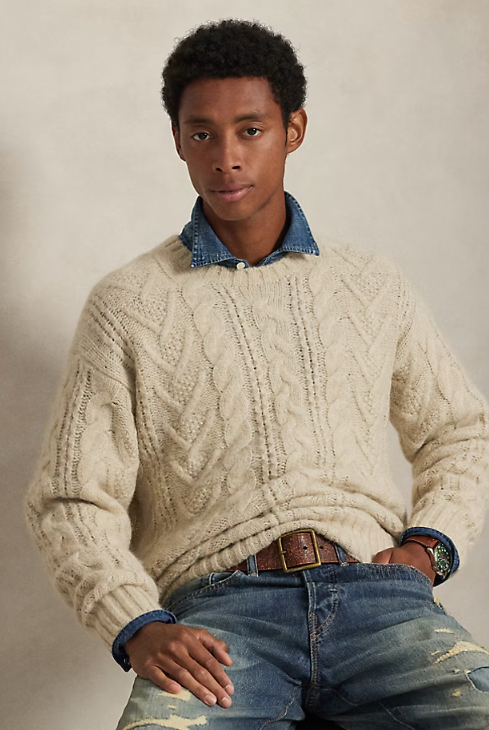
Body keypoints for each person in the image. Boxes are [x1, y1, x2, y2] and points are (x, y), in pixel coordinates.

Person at [25, 18, 489, 730]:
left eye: (250, 130)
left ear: (292, 130)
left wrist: (430, 549)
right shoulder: (128, 305)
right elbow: (70, 499)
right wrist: (135, 622)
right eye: (202, 134)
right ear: (177, 140)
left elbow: (459, 432)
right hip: (221, 618)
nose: (226, 159)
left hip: (380, 600)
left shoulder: (370, 284)